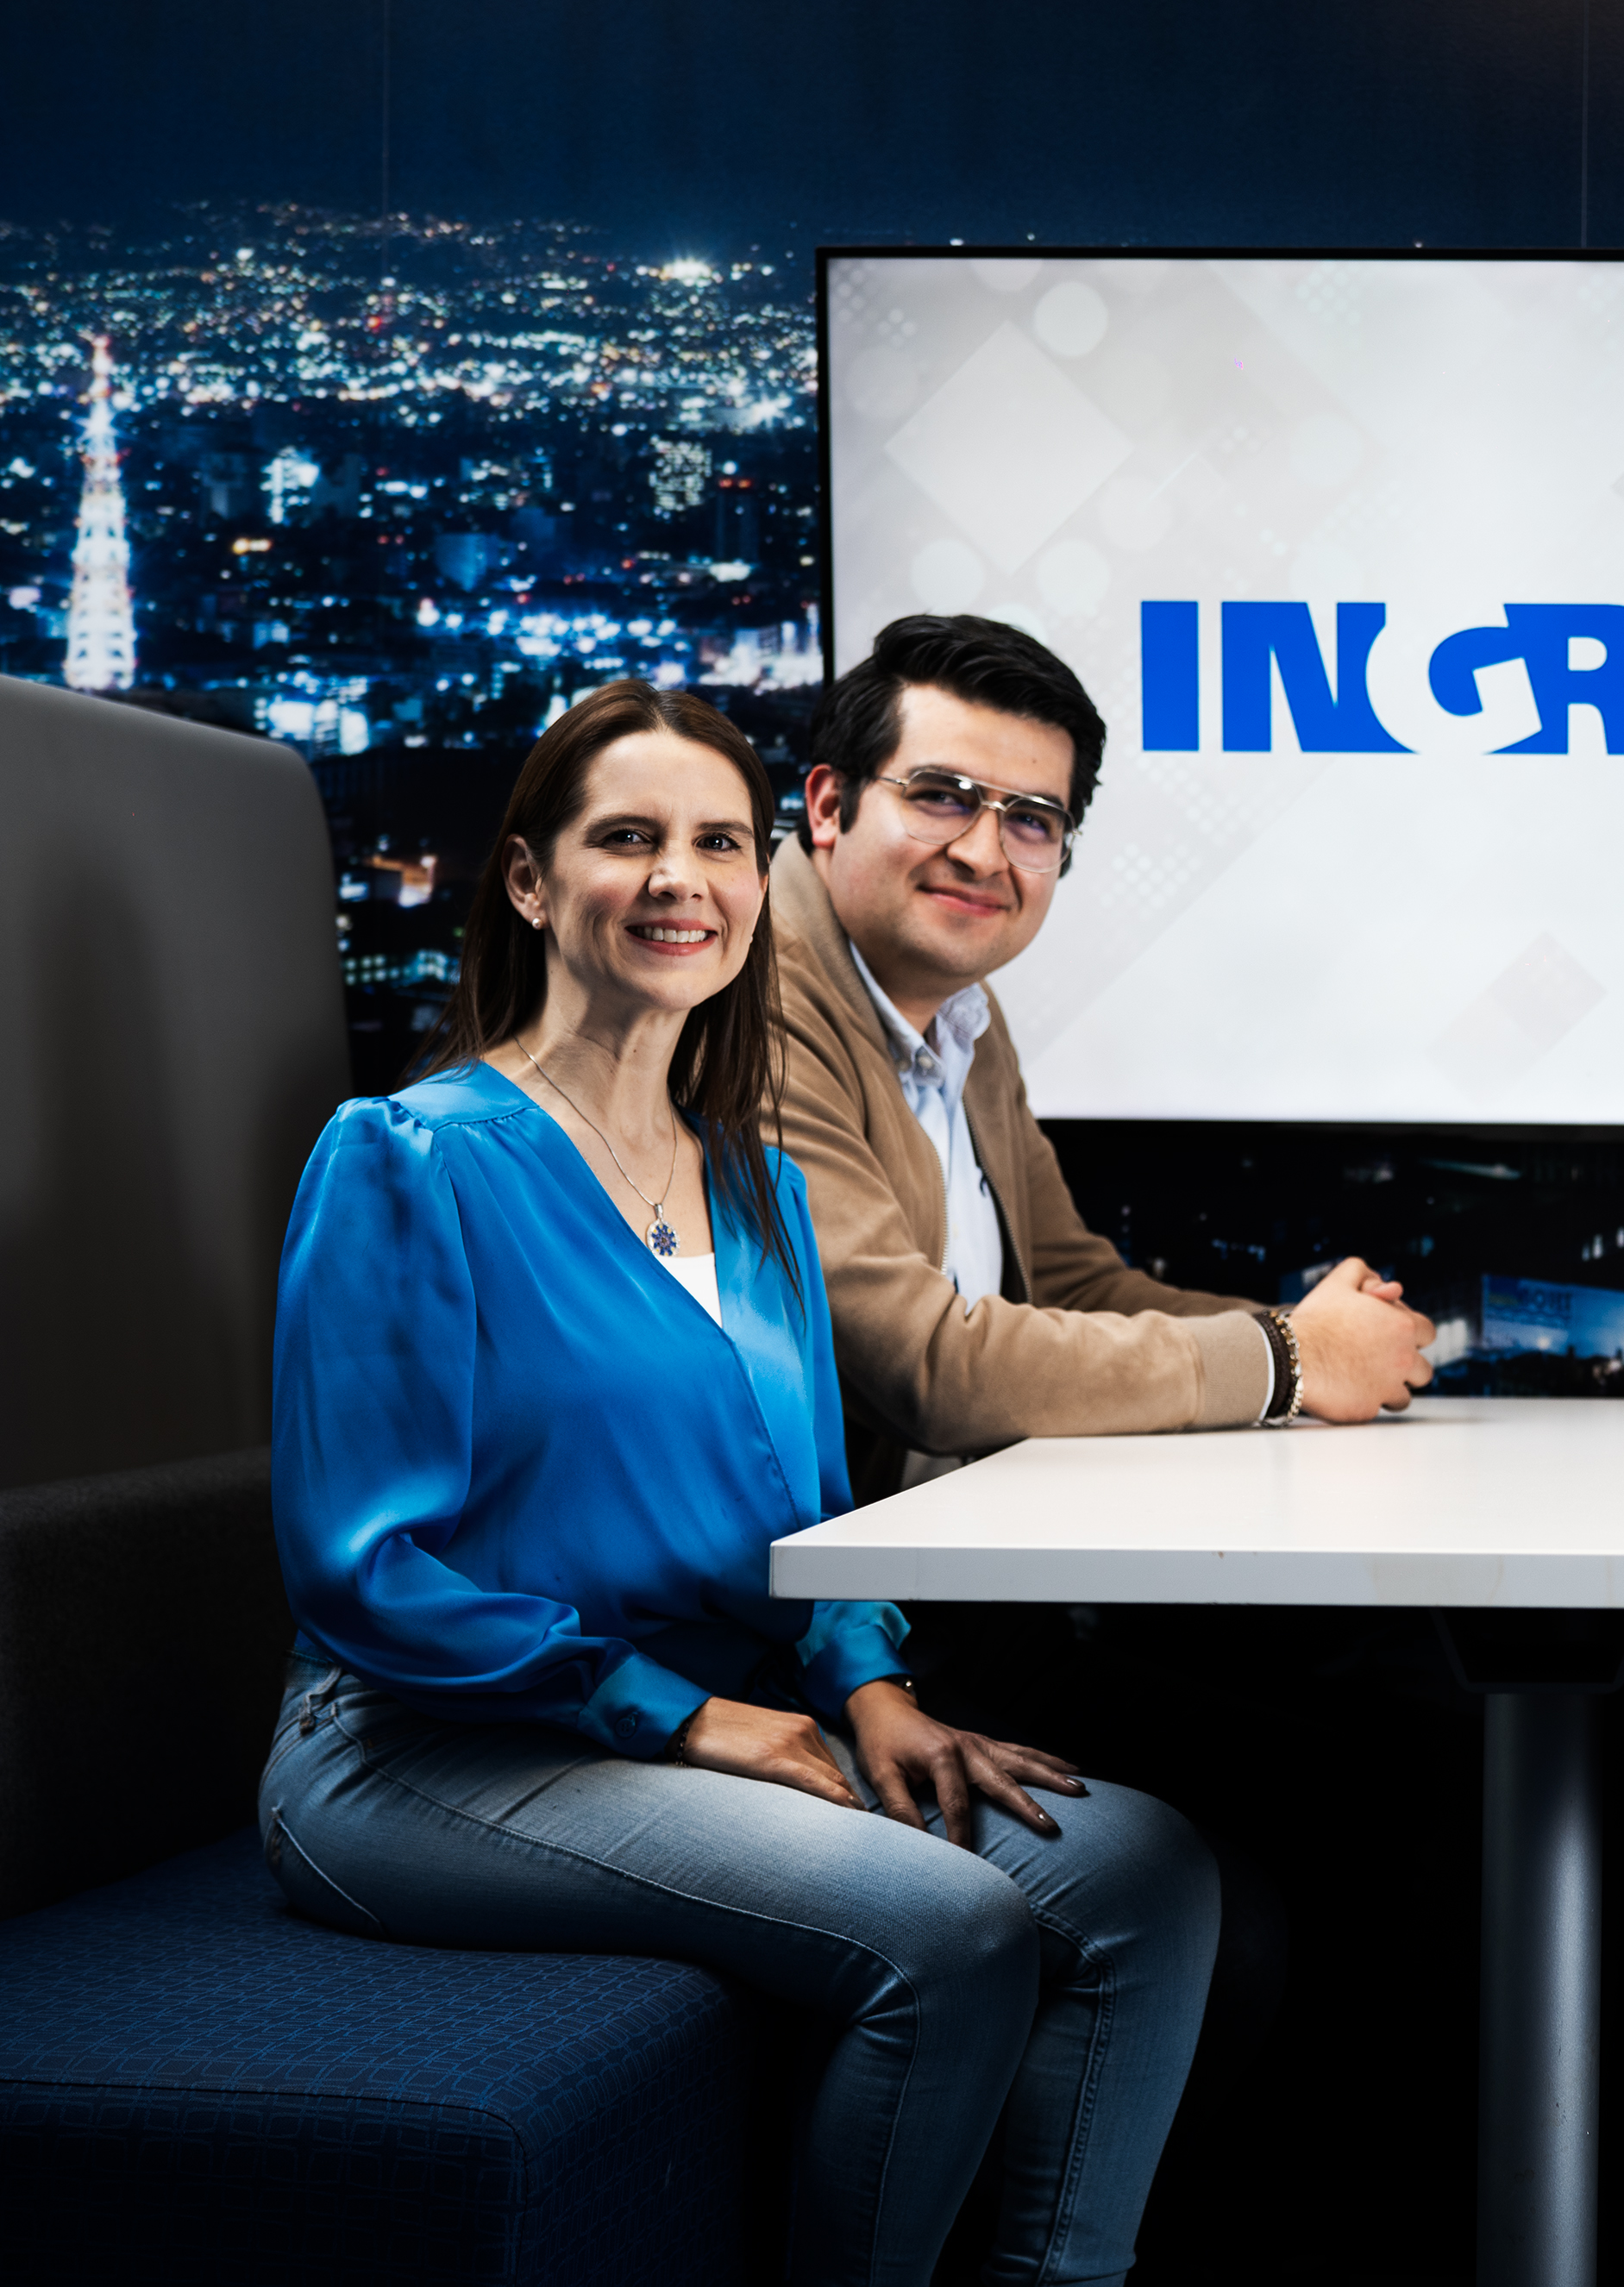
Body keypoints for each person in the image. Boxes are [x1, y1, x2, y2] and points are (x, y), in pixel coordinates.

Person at [261, 681, 1219, 2287]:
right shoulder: (408, 1159)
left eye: (716, 840)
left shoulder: (757, 1184)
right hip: (431, 1751)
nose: (678, 879)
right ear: (526, 882)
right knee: (954, 1927)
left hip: (726, 1716)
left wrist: (875, 1681)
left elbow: (809, 1498)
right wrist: (689, 1716)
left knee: (1142, 1872)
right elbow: (368, 1572)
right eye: (625, 838)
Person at [769, 612, 1429, 1503]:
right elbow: (925, 1366)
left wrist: (1311, 1336)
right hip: (805, 1613)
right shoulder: (750, 1004)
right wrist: (1289, 1358)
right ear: (826, 807)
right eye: (939, 795)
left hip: (958, 1558)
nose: (981, 853)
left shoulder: (962, 1009)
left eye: (1032, 820)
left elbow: (1071, 1287)